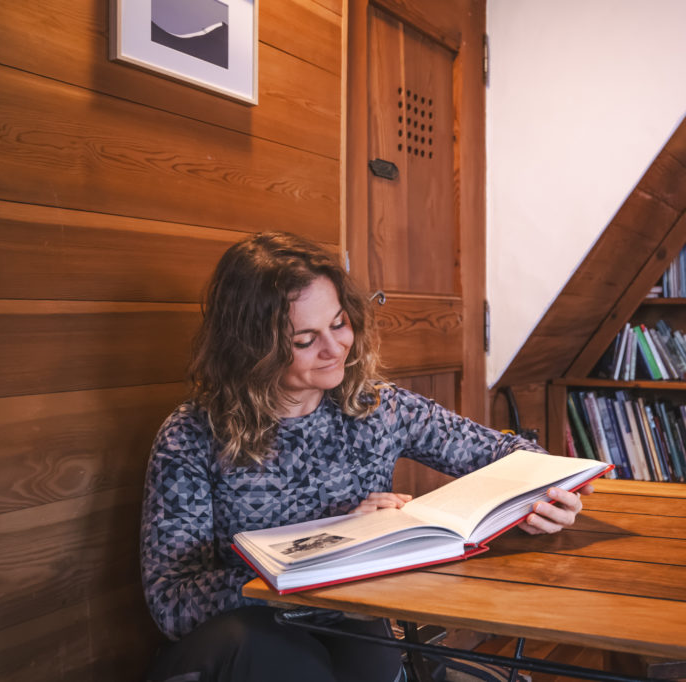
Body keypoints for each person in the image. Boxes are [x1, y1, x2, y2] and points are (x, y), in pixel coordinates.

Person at [141, 231, 590, 682]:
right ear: (251, 348)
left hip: (349, 626)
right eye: (304, 339)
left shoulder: (378, 408)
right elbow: (173, 603)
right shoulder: (192, 436)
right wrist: (334, 545)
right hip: (241, 646)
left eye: (339, 323)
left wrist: (547, 493)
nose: (336, 348)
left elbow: (506, 453)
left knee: (369, 652)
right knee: (283, 656)